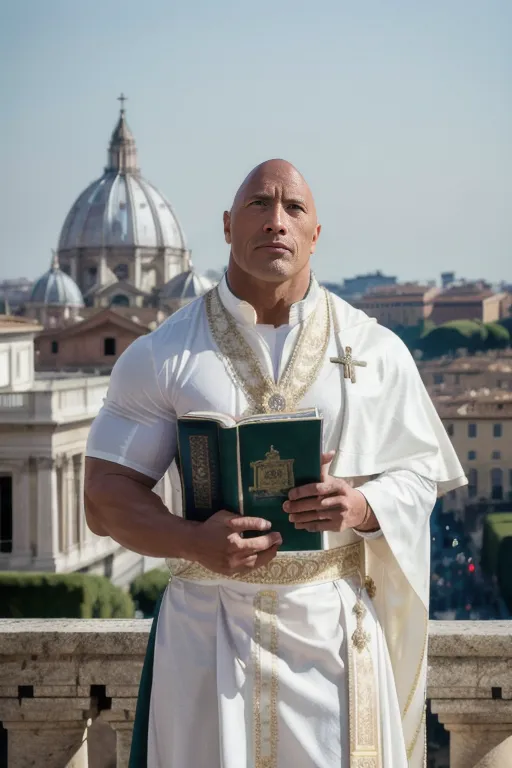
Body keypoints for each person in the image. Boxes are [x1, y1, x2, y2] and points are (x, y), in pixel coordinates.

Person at [84, 159, 466, 768]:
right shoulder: (161, 353)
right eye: (260, 205)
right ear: (229, 225)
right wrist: (191, 540)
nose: (276, 222)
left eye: (294, 208)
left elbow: (421, 472)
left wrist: (364, 506)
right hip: (204, 637)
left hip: (332, 637)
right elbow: (103, 496)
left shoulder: (375, 349)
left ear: (316, 234)